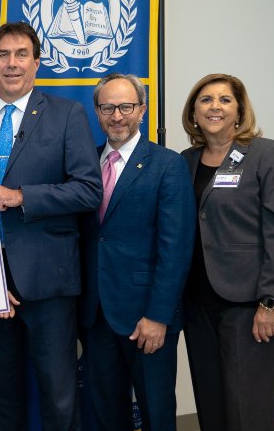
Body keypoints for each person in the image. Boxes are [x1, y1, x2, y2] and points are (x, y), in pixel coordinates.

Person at [0, 21, 101, 430]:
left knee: (59, 393)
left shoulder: (67, 115)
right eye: (3, 55)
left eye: (21, 55)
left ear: (37, 62)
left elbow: (88, 191)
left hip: (49, 280)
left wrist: (24, 196)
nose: (11, 64)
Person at [180, 73, 274, 430]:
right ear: (194, 111)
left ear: (239, 109)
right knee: (211, 405)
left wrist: (272, 301)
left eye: (224, 99)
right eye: (205, 100)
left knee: (247, 408)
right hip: (197, 303)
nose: (214, 107)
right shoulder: (186, 160)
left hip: (250, 304)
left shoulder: (269, 154)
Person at [78, 73, 195, 431]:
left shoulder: (167, 164)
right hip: (96, 316)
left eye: (125, 106)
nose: (117, 116)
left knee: (156, 413)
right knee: (105, 415)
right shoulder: (85, 164)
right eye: (107, 107)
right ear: (97, 112)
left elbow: (175, 247)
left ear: (141, 109)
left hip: (147, 316)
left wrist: (159, 316)